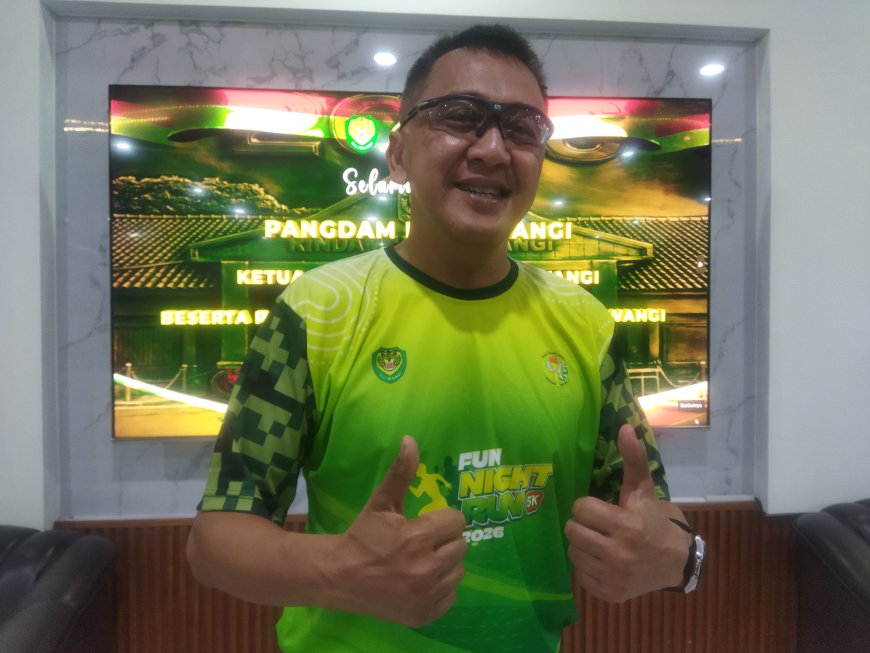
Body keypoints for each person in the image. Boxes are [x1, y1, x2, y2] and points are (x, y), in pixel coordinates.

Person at [187, 24, 704, 653]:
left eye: (521, 129)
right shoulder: (317, 311)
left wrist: (681, 558)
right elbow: (215, 541)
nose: (491, 149)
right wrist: (339, 571)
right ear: (398, 153)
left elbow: (650, 512)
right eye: (459, 117)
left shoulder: (585, 322)